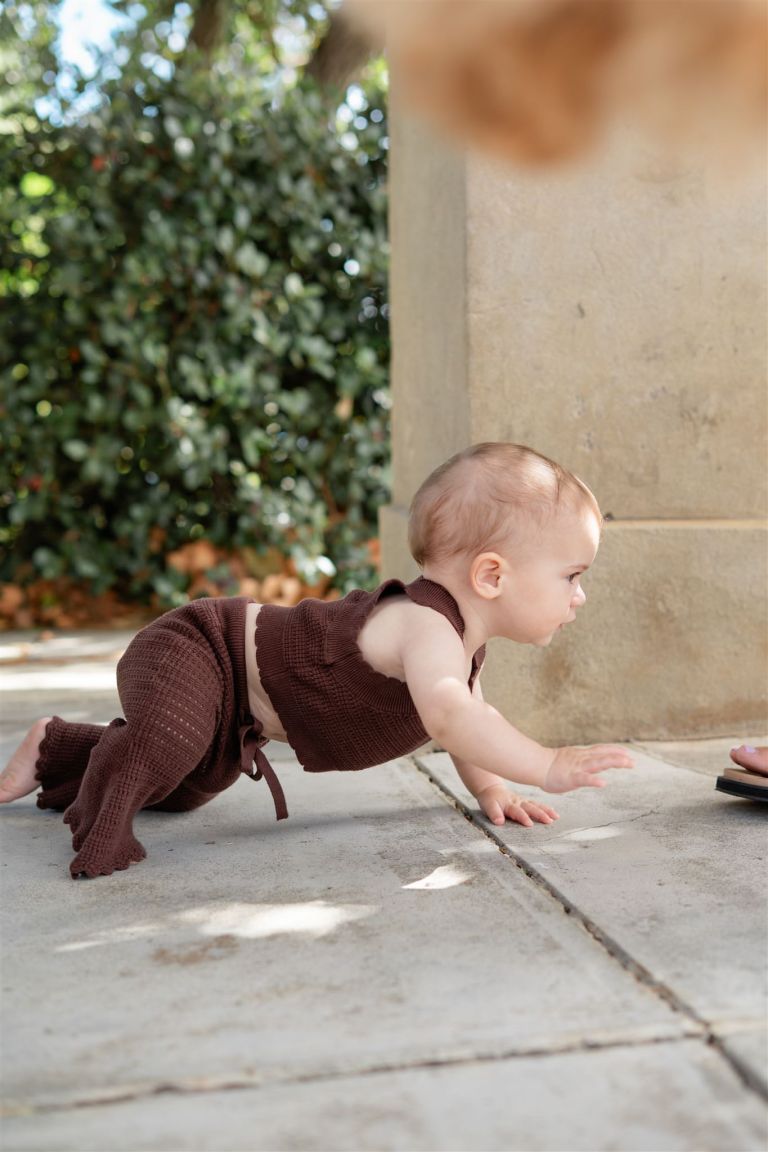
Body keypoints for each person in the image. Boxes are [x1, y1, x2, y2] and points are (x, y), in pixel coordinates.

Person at [0, 442, 634, 878]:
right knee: (164, 746)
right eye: (572, 575)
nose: (579, 595)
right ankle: (103, 818)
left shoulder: (462, 641)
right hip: (205, 647)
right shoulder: (425, 625)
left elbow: (468, 715)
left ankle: (57, 746)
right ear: (492, 575)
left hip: (242, 702)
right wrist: (545, 765)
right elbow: (448, 715)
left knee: (187, 787)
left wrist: (492, 786)